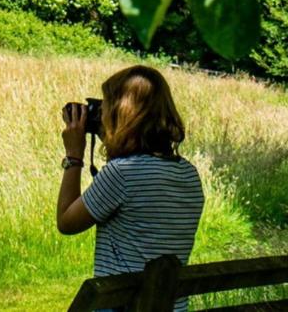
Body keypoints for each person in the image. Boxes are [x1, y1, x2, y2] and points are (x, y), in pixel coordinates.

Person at [56, 65, 204, 312]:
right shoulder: (189, 174)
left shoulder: (121, 173)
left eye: (105, 108)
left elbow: (66, 222)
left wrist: (74, 155)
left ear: (120, 115)